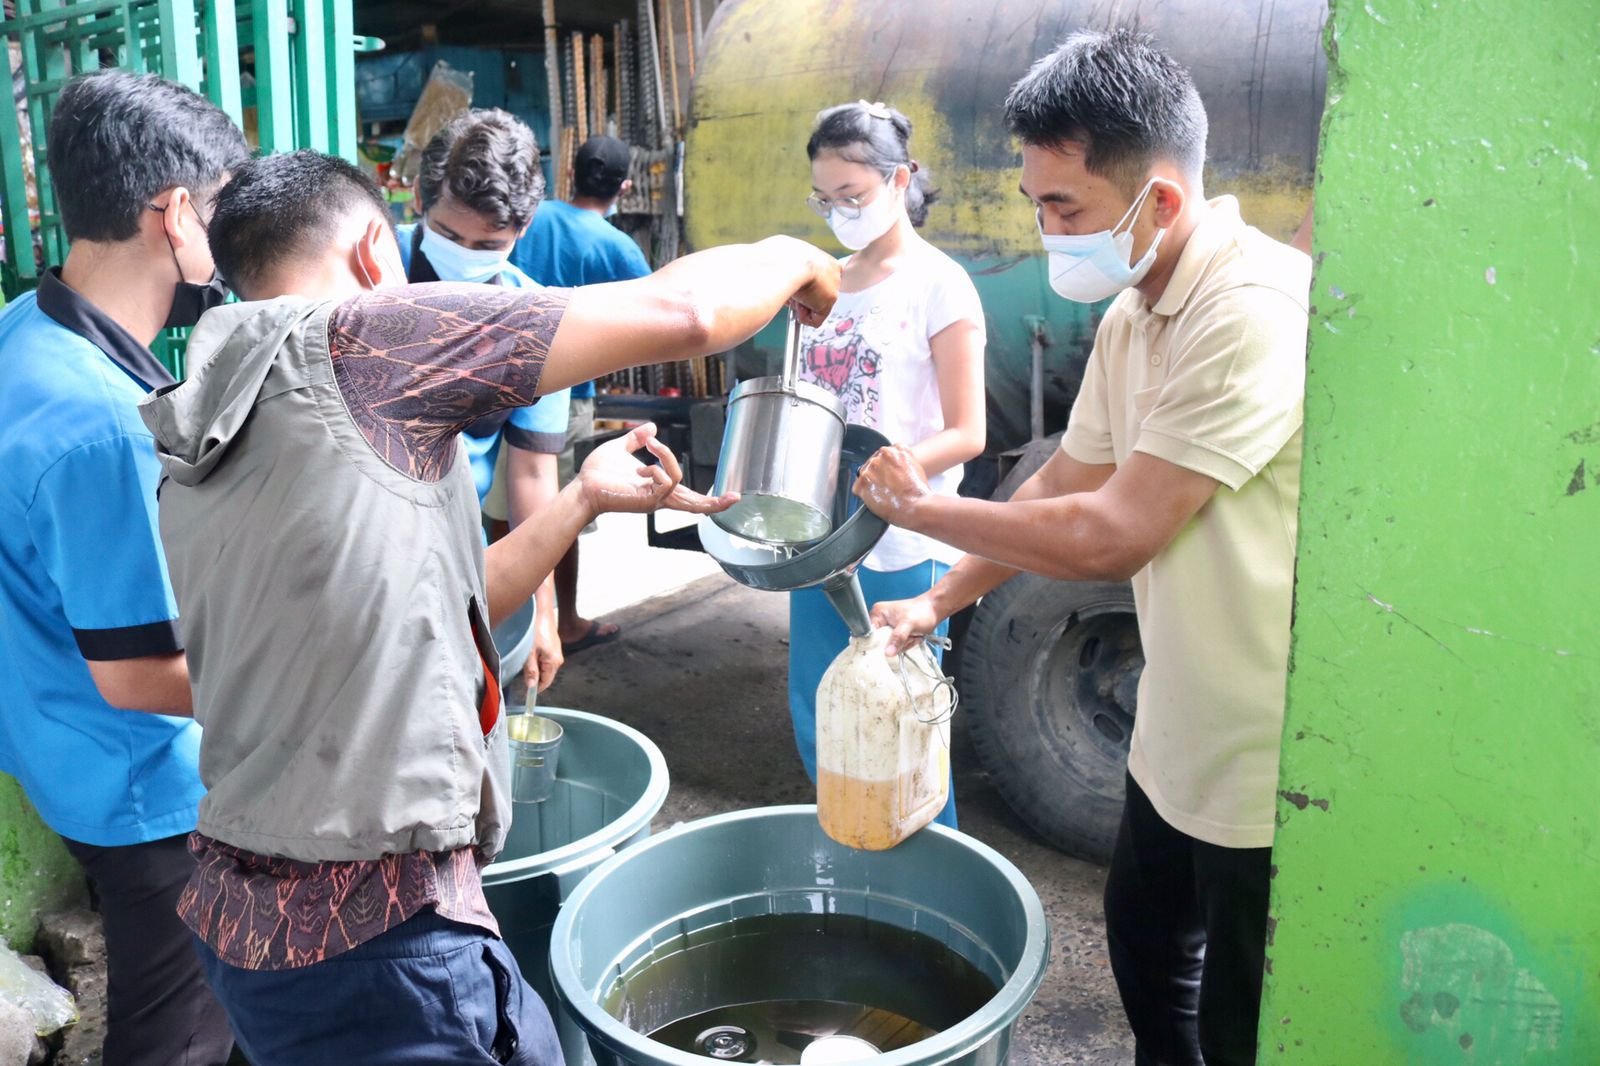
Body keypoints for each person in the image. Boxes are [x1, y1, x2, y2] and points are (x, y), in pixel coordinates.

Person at [138, 148, 839, 1065]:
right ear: (370, 253)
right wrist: (798, 253)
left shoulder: (216, 409)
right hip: (375, 943)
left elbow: (435, 610)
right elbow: (689, 312)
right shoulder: (363, 338)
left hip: (256, 920)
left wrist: (581, 501)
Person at [855, 30, 1310, 1065]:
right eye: (1036, 203)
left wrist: (923, 514)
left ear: (1158, 201)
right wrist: (938, 601)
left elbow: (1115, 531)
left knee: (1243, 1026)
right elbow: (1064, 482)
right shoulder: (1137, 304)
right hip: (1174, 726)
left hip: (1264, 758)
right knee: (1151, 965)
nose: (1046, 230)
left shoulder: (1250, 310)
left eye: (1064, 208)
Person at [0, 70, 240, 1066]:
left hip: (60, 748)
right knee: (178, 1027)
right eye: (225, 207)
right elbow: (143, 674)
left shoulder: (26, 329)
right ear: (175, 213)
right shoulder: (105, 430)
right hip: (149, 794)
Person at [791, 100, 986, 828]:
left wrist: (886, 476)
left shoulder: (941, 285)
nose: (838, 212)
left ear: (900, 179)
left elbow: (969, 430)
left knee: (904, 733)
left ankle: (932, 893)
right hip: (818, 539)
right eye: (825, 199)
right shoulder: (824, 283)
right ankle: (853, 874)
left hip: (903, 540)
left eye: (853, 196)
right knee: (824, 716)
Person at [398, 107, 570, 692]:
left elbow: (531, 479)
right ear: (420, 202)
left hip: (449, 551)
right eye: (448, 235)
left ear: (522, 230)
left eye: (488, 244)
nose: (464, 254)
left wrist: (543, 610)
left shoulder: (535, 324)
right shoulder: (360, 275)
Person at [510, 134, 653, 660]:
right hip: (562, 394)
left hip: (499, 381)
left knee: (505, 509)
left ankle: (506, 617)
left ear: (570, 175)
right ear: (625, 186)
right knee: (556, 513)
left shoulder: (531, 216)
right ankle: (562, 621)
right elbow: (650, 323)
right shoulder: (617, 248)